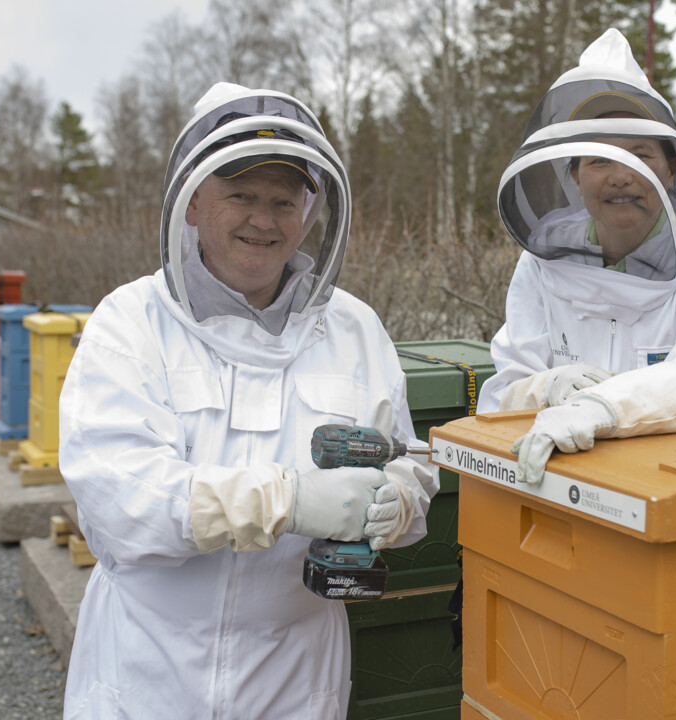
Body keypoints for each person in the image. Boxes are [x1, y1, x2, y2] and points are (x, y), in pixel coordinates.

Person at [57, 82, 437, 719]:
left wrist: (394, 501)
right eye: (241, 196)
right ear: (194, 203)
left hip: (297, 670)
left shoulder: (354, 329)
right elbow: (118, 499)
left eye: (283, 201)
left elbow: (408, 461)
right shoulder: (131, 322)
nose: (264, 221)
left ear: (310, 213)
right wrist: (282, 501)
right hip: (147, 666)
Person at [476, 28, 676, 484]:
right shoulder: (541, 262)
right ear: (575, 177)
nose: (621, 176)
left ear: (672, 170)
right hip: (550, 475)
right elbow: (504, 392)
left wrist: (602, 407)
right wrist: (548, 388)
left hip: (670, 482)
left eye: (640, 155)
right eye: (598, 160)